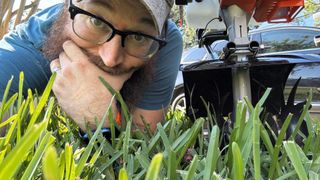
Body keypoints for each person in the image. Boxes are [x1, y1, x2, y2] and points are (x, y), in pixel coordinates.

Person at [0, 0, 183, 132]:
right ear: (67, 7)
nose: (110, 59)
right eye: (96, 21)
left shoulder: (163, 42)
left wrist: (101, 119)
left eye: (138, 37)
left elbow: (144, 132)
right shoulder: (29, 45)